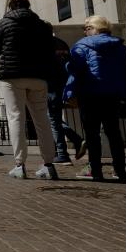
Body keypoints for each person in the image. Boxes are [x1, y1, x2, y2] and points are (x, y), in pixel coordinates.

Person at [0, 0, 58, 180]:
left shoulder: (3, 23)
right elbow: (49, 49)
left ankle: (20, 165)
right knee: (42, 119)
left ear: (10, 7)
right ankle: (49, 164)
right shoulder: (42, 25)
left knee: (15, 118)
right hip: (38, 76)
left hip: (12, 76)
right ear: (29, 6)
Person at [65, 15, 126, 182]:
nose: (84, 31)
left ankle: (95, 170)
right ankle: (120, 171)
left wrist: (69, 92)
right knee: (114, 134)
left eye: (86, 28)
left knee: (92, 134)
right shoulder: (120, 47)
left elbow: (75, 70)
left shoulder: (81, 46)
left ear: (93, 29)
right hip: (113, 95)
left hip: (89, 95)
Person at [47, 36, 86, 165]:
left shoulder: (45, 43)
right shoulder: (61, 43)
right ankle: (75, 140)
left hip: (50, 85)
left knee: (53, 120)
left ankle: (62, 153)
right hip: (62, 84)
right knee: (53, 118)